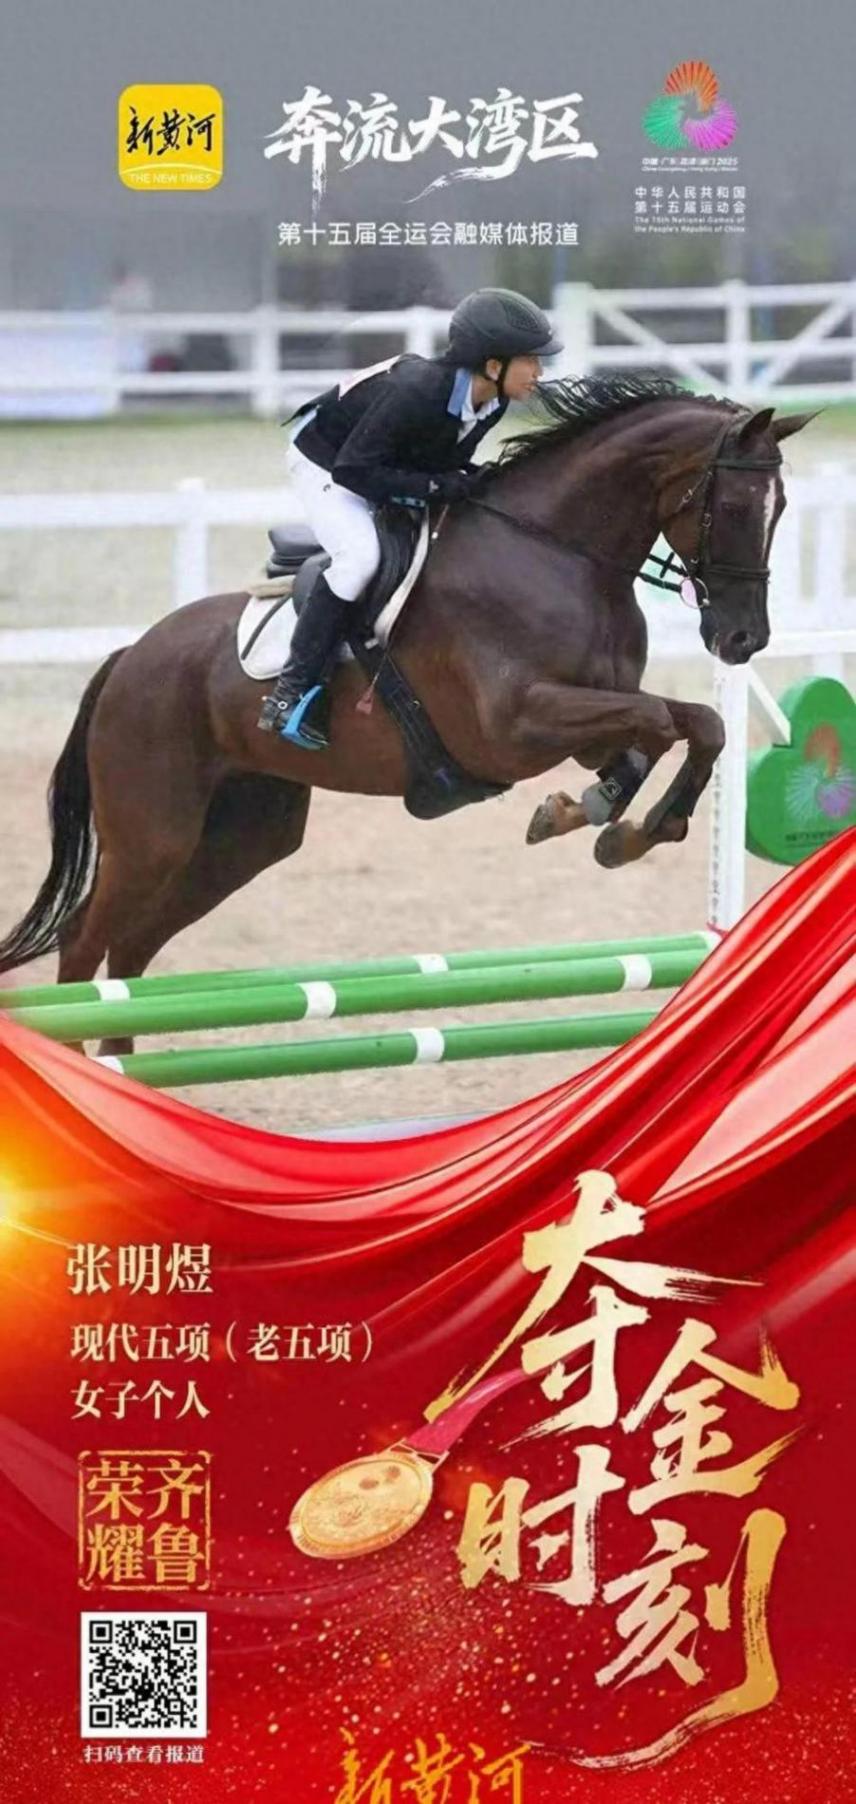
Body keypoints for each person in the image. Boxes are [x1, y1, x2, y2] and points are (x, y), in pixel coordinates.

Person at [257, 288, 564, 746]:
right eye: (531, 360)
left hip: (373, 462)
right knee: (360, 559)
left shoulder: (493, 402)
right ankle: (290, 690)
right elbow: (353, 470)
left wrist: (466, 479)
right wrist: (439, 487)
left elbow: (437, 457)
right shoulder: (417, 392)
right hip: (325, 462)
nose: (540, 372)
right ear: (493, 366)